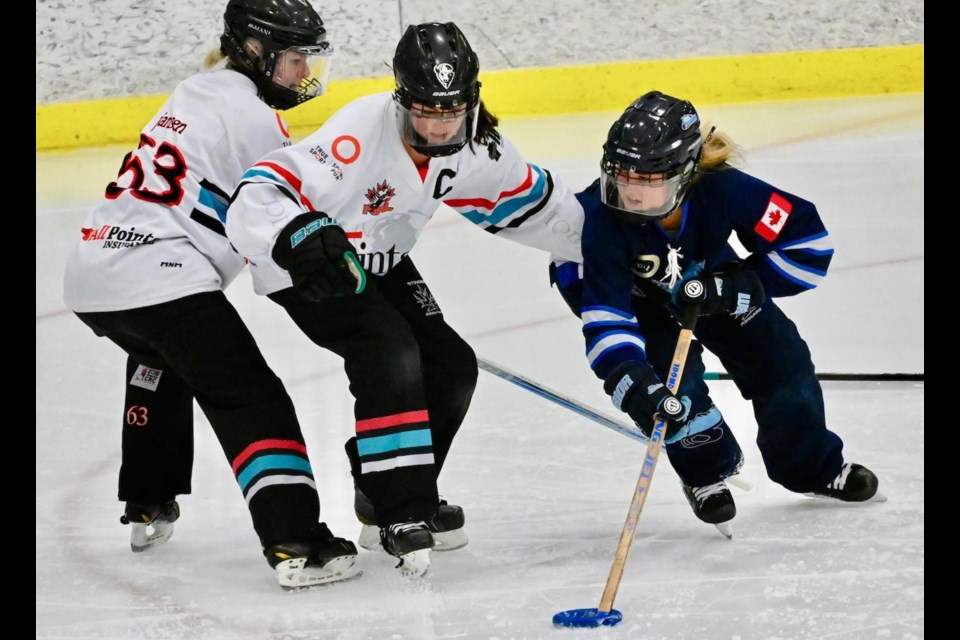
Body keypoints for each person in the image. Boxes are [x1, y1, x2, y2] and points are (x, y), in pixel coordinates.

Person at [225, 22, 584, 576]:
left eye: (452, 112)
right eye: (426, 112)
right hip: (314, 265)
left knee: (453, 366)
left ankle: (381, 486)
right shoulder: (356, 137)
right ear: (401, 100)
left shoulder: (476, 143)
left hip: (384, 260)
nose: (440, 127)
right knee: (389, 352)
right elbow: (259, 190)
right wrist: (294, 237)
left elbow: (533, 204)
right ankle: (401, 510)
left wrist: (610, 247)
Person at [62, 0, 362, 589]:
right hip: (159, 274)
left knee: (157, 359)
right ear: (254, 52)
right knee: (249, 396)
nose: (305, 73)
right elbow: (270, 211)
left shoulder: (196, 90)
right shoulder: (253, 117)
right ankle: (296, 541)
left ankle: (147, 502)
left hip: (94, 274)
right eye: (295, 59)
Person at [550, 90, 883, 535]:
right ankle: (705, 473)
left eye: (649, 180)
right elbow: (607, 316)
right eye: (623, 175)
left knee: (781, 359)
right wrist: (629, 378)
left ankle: (812, 468)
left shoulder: (725, 189)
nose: (630, 192)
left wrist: (737, 287)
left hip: (708, 280)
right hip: (629, 299)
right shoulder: (600, 220)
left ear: (685, 175)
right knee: (672, 390)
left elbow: (809, 246)